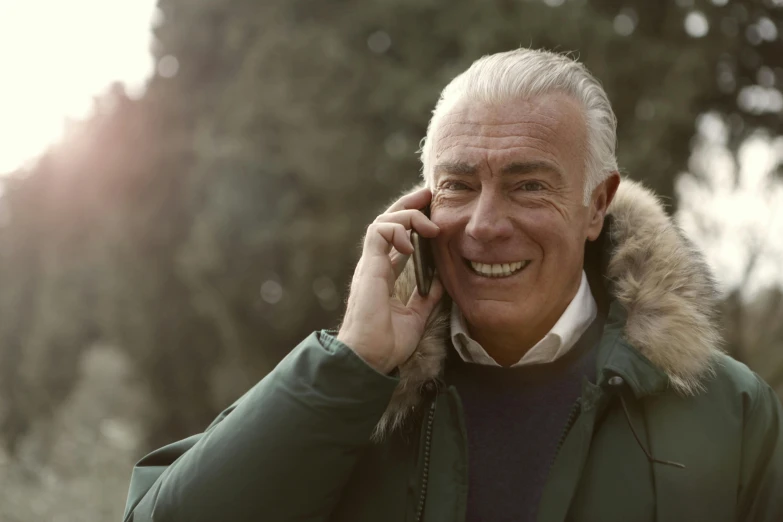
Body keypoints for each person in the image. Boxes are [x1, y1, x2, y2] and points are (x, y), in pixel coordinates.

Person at [123, 49, 783, 522]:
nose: (484, 224)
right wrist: (351, 363)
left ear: (595, 206)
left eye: (528, 185)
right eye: (459, 186)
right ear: (421, 201)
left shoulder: (729, 412)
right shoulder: (343, 398)